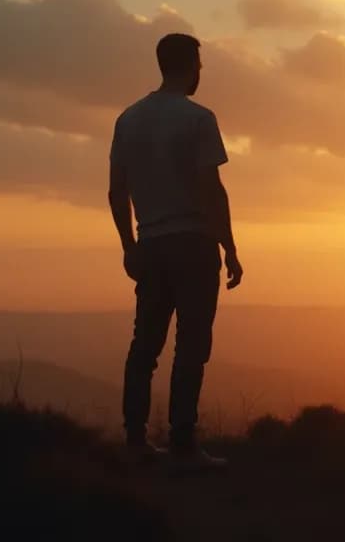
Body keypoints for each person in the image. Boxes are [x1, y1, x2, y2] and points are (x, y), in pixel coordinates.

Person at [108, 33, 243, 470]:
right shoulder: (198, 119)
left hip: (151, 243)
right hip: (193, 243)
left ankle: (135, 441)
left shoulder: (127, 119)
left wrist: (130, 247)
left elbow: (116, 192)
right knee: (191, 346)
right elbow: (211, 189)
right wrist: (229, 245)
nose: (202, 72)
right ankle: (184, 445)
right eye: (200, 64)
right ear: (191, 66)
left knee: (144, 345)